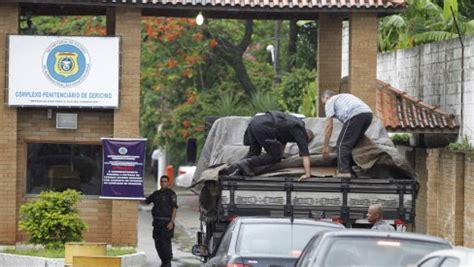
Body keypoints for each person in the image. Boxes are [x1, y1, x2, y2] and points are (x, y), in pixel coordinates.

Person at [230, 111, 314, 180]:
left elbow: (282, 143)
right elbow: (305, 155)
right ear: (307, 137)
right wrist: (307, 174)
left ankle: (236, 169)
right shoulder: (300, 131)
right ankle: (246, 163)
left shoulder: (291, 123)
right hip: (263, 127)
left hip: (254, 122)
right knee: (274, 157)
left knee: (254, 153)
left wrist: (281, 155)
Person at [321, 90, 373, 178]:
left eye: (323, 102)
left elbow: (329, 127)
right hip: (368, 114)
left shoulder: (330, 101)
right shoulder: (343, 98)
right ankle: (353, 169)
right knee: (352, 144)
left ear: (326, 97)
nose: (324, 105)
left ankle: (344, 171)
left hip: (355, 114)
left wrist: (325, 147)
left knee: (342, 144)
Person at [144, 175, 177, 267]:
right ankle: (163, 261)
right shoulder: (156, 194)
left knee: (165, 243)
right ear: (160, 182)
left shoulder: (171, 194)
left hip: (167, 223)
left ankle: (167, 262)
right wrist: (136, 196)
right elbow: (146, 201)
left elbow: (174, 208)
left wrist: (172, 222)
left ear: (168, 183)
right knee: (158, 243)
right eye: (162, 181)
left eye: (165, 181)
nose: (163, 183)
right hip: (157, 223)